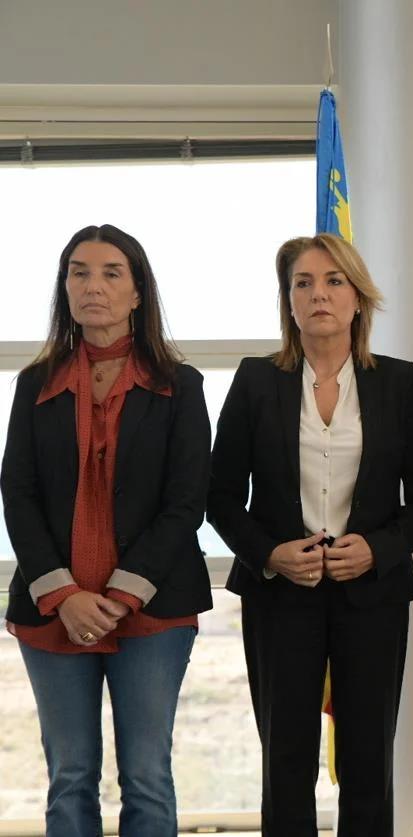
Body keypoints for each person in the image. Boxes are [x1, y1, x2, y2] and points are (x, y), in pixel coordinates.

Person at [207, 233, 413, 836]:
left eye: (334, 281)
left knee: (369, 758)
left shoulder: (396, 381)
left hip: (374, 594)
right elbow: (221, 497)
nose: (319, 295)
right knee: (285, 758)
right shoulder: (257, 381)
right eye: (303, 284)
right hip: (280, 595)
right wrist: (270, 554)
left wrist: (380, 549)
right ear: (288, 302)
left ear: (358, 298)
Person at [1, 224, 212, 836]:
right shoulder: (33, 384)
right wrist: (64, 596)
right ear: (65, 288)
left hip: (152, 612)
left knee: (147, 775)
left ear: (139, 291)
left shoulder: (180, 384)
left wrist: (119, 596)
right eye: (79, 272)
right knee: (69, 775)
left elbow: (185, 501)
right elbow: (18, 494)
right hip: (53, 610)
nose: (93, 285)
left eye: (111, 272)